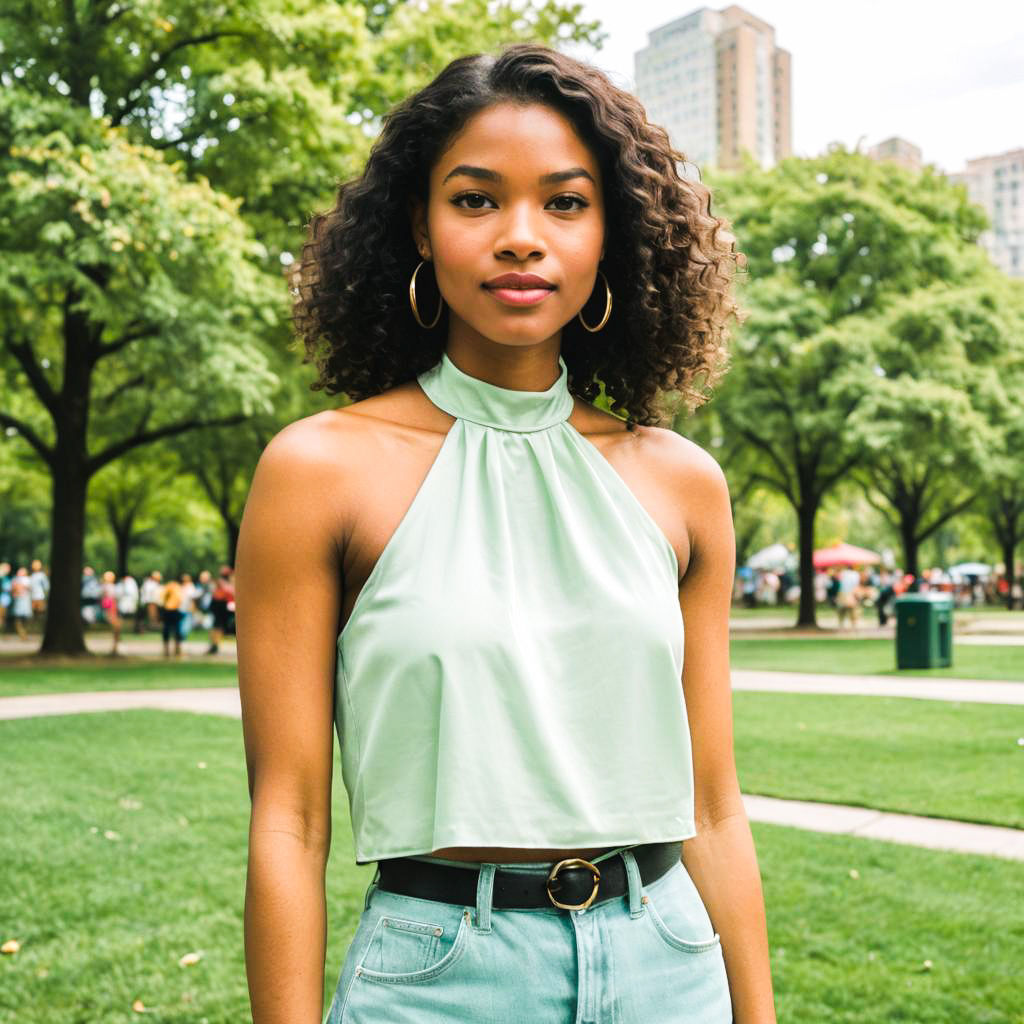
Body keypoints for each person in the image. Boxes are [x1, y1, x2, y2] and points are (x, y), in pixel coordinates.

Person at [236, 44, 773, 1024]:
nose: (520, 237)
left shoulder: (684, 485)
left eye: (565, 202)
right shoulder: (317, 473)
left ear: (612, 232)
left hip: (671, 964)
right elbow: (289, 818)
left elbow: (713, 807)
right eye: (476, 200)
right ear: (420, 226)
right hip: (439, 977)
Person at [206, 566, 234, 654]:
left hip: (220, 605)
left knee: (217, 626)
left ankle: (214, 645)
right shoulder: (223, 583)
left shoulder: (222, 583)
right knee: (217, 626)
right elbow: (230, 592)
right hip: (219, 605)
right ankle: (214, 645)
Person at [99, 569, 122, 655]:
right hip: (110, 608)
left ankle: (114, 647)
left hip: (111, 608)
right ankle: (114, 647)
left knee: (117, 627)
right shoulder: (108, 587)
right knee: (116, 627)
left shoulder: (105, 587)